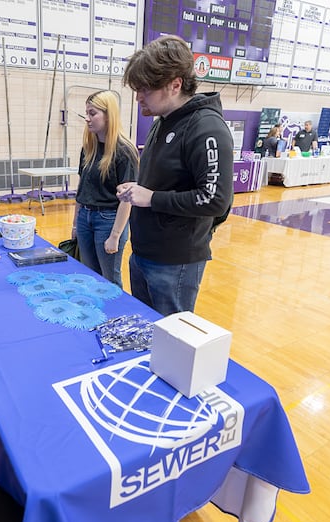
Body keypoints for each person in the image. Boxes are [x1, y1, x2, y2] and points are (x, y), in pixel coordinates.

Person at [116, 35, 234, 316]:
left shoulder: (207, 128)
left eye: (144, 89)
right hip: (144, 252)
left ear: (175, 84)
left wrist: (153, 198)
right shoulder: (162, 122)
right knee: (148, 333)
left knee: (172, 343)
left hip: (175, 262)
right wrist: (140, 190)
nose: (138, 97)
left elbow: (215, 200)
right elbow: (166, 184)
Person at [72, 90, 138, 286]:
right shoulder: (88, 148)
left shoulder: (125, 151)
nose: (87, 118)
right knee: (89, 275)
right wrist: (76, 223)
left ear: (109, 115)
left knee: (109, 278)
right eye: (86, 113)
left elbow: (127, 199)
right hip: (85, 216)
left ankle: (116, 315)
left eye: (93, 113)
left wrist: (115, 235)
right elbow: (81, 188)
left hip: (108, 220)